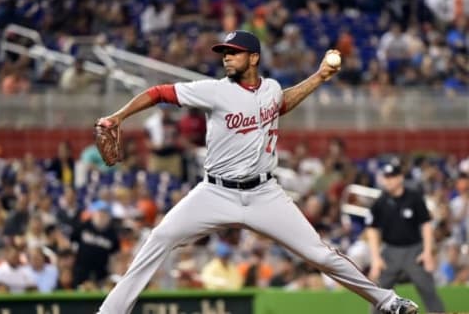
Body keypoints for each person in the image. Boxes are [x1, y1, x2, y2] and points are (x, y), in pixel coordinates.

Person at [95, 30, 418, 314]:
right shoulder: (215, 90)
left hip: (264, 194)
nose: (226, 58)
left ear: (254, 58)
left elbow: (280, 102)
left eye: (233, 53)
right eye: (224, 53)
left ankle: (388, 302)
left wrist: (319, 77)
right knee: (160, 238)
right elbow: (159, 93)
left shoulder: (271, 88)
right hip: (215, 192)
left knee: (319, 253)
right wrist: (118, 117)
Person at [366, 159, 444, 313]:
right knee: (378, 294)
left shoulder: (414, 198)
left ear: (400, 177)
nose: (388, 180)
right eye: (386, 177)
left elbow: (426, 224)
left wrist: (427, 252)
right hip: (390, 251)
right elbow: (372, 229)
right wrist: (375, 258)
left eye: (392, 176)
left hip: (414, 251)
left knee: (428, 291)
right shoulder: (380, 202)